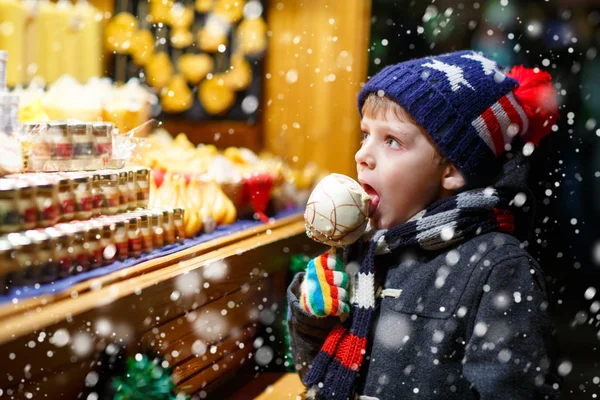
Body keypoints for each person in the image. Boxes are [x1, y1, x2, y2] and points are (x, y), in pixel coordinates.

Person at [286, 50, 561, 400]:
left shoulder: (497, 268)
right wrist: (315, 317)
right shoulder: (364, 248)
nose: (362, 155)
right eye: (365, 134)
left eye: (392, 141)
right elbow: (316, 374)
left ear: (451, 170)